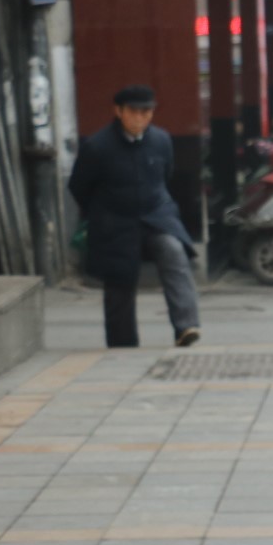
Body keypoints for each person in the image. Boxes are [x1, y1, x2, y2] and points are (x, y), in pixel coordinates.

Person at [69, 84, 201, 348]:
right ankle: (122, 342)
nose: (140, 118)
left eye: (147, 112)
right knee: (119, 277)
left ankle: (185, 326)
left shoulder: (161, 140)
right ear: (118, 111)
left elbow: (165, 176)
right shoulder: (97, 147)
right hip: (114, 220)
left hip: (156, 215)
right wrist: (101, 213)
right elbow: (78, 186)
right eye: (134, 112)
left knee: (174, 251)